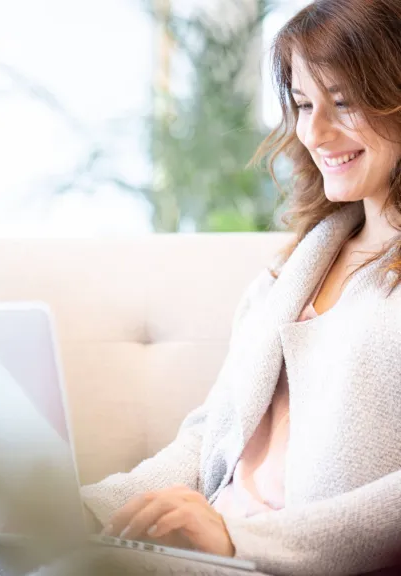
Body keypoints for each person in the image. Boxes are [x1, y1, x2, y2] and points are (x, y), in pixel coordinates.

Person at [80, 1, 401, 575]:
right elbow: (210, 441)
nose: (315, 131)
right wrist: (87, 508)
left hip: (279, 558)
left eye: (343, 102)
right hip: (216, 552)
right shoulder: (285, 277)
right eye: (303, 105)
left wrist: (239, 539)